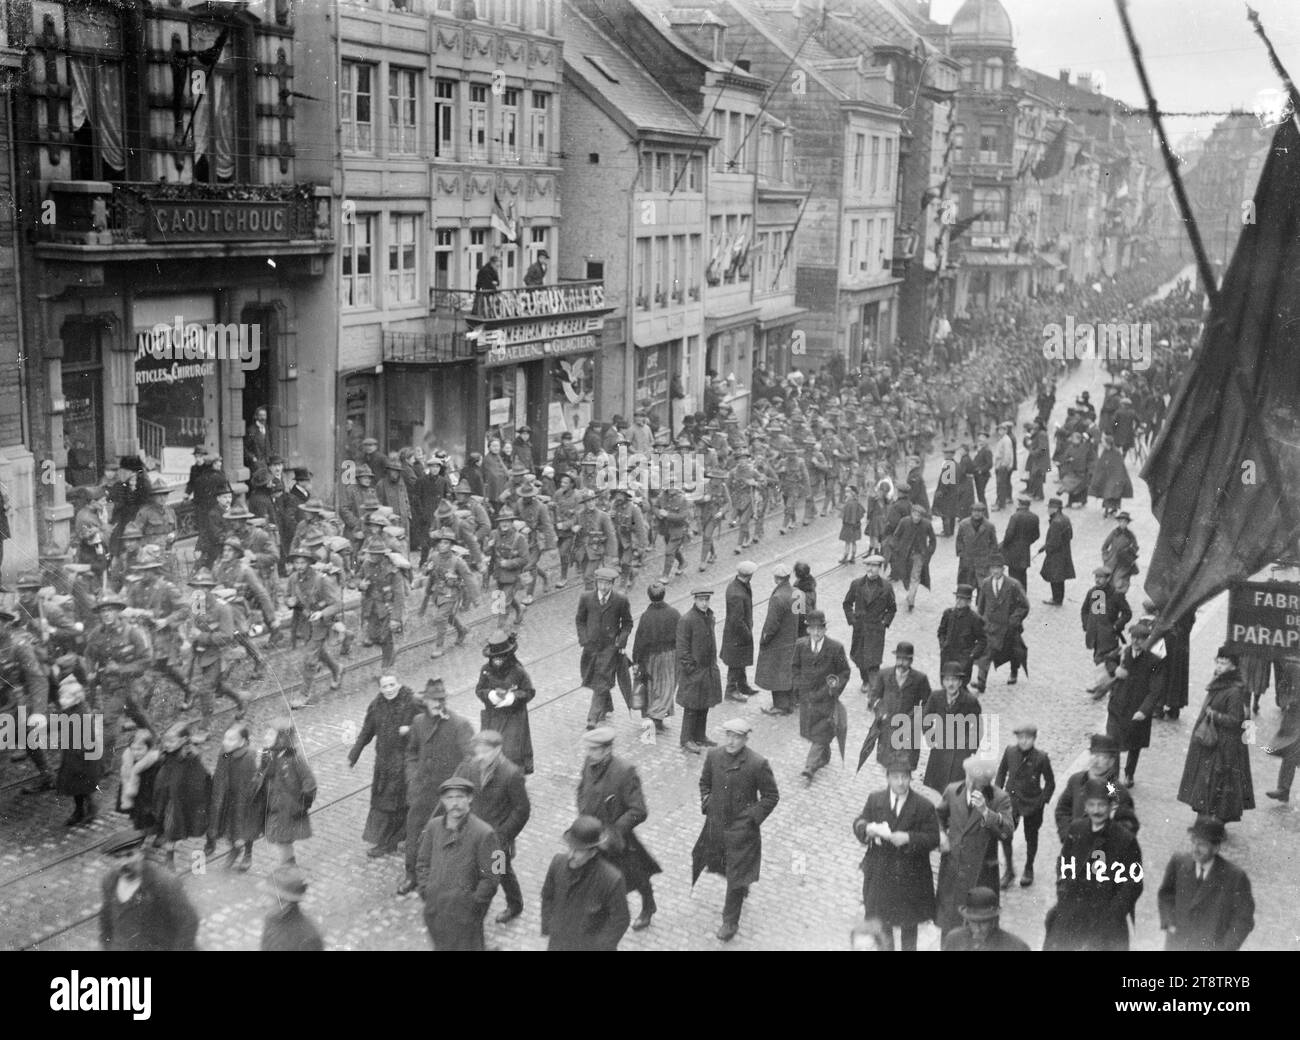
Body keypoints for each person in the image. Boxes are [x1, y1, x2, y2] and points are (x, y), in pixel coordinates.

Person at [691, 718, 780, 942]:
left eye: (737, 737)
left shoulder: (757, 764)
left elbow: (771, 796)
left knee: (736, 875)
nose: (731, 741)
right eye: (728, 735)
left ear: (745, 738)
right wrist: (708, 802)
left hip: (743, 832)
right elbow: (704, 783)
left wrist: (751, 818)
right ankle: (742, 886)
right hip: (717, 826)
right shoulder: (713, 756)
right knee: (722, 864)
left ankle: (730, 921)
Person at [577, 726, 662, 931]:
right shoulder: (590, 763)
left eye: (594, 749)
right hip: (592, 837)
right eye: (589, 749)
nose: (589, 753)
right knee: (595, 876)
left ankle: (648, 906)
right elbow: (582, 789)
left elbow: (638, 810)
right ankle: (600, 911)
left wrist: (614, 831)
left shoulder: (624, 772)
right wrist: (582, 815)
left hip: (617, 841)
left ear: (607, 750)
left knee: (637, 876)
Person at [1044, 777, 1144, 951]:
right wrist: (1063, 889)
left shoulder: (1125, 840)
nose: (1096, 811)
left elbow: (1133, 884)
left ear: (1110, 806)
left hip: (1106, 917)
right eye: (1091, 805)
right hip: (1073, 909)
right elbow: (1064, 861)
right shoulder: (1077, 828)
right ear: (1085, 806)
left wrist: (1113, 916)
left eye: (1101, 805)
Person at [853, 752, 940, 951]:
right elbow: (859, 823)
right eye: (895, 777)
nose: (900, 782)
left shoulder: (924, 806)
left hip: (910, 878)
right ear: (888, 778)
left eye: (905, 777)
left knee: (909, 928)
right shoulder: (875, 800)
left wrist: (909, 838)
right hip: (880, 875)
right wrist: (867, 828)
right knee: (883, 927)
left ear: (910, 777)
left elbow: (933, 838)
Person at [398, 679, 475, 896]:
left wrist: (455, 789)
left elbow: (470, 758)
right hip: (422, 791)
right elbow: (411, 753)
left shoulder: (459, 725)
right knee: (414, 834)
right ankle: (411, 876)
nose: (437, 704)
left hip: (448, 796)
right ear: (425, 701)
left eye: (441, 699)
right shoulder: (418, 721)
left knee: (447, 839)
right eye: (433, 700)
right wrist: (412, 779)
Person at [415, 776, 502, 951]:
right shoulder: (433, 826)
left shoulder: (486, 833)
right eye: (449, 798)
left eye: (460, 797)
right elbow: (422, 863)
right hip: (436, 910)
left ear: (469, 798)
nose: (455, 803)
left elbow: (493, 877)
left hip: (465, 918)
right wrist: (426, 890)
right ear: (442, 801)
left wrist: (473, 906)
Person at [455, 730, 531, 926]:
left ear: (498, 750)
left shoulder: (511, 773)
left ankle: (514, 905)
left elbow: (522, 810)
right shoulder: (471, 767)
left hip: (498, 841)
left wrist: (503, 835)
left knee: (500, 873)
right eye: (478, 752)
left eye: (485, 752)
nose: (480, 756)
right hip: (475, 835)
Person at [934, 757, 1013, 935]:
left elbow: (1007, 832)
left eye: (979, 784)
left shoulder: (1000, 798)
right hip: (953, 871)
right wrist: (941, 834)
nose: (973, 785)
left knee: (978, 930)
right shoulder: (953, 791)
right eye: (971, 779)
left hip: (981, 876)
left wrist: (986, 812)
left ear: (987, 783)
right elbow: (938, 815)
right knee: (950, 929)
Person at [1177, 646, 1255, 825]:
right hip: (1211, 742)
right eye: (1218, 662)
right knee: (1208, 782)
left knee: (1215, 783)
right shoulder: (1221, 682)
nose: (1219, 666)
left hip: (1222, 745)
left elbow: (1236, 720)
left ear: (1233, 666)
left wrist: (1214, 715)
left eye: (1223, 663)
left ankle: (1210, 821)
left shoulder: (1234, 690)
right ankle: (1206, 818)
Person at [1157, 816, 1255, 951]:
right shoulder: (1178, 862)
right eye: (1193, 842)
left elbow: (1243, 920)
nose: (1195, 849)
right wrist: (1169, 922)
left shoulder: (1235, 877)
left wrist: (1225, 948)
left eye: (1202, 844)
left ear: (1216, 848)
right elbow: (1166, 894)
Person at [347, 675, 419, 858]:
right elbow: (366, 732)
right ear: (380, 688)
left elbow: (425, 727)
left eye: (392, 685)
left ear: (399, 684)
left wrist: (410, 730)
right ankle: (387, 840)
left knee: (403, 802)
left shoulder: (412, 703)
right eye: (384, 686)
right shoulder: (376, 706)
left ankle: (394, 841)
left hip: (406, 762)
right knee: (384, 803)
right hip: (385, 764)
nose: (389, 689)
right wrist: (354, 754)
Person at [540, 815, 632, 951]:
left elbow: (620, 920)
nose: (571, 855)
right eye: (570, 847)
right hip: (559, 943)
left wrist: (601, 947)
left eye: (578, 850)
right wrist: (549, 925)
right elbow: (547, 895)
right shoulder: (557, 862)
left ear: (593, 852)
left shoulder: (611, 879)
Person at [99, 829, 200, 951]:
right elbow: (106, 920)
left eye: (129, 855)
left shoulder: (163, 882)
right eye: (117, 857)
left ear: (141, 853)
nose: (123, 863)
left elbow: (189, 922)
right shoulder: (109, 881)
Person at [994, 722, 1055, 889]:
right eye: (1020, 738)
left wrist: (1042, 801)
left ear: (1034, 739)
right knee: (1005, 834)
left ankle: (1029, 868)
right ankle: (1009, 871)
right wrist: (997, 795)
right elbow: (1001, 773)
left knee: (1031, 836)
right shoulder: (1010, 752)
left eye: (1027, 738)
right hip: (1011, 801)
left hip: (1032, 804)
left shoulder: (1041, 757)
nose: (1023, 741)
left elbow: (1050, 783)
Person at [794, 610, 851, 782]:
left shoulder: (835, 648)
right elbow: (795, 667)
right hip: (807, 699)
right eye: (813, 629)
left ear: (825, 629)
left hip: (826, 698)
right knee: (814, 732)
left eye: (820, 628)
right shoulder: (800, 645)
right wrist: (799, 685)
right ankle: (824, 756)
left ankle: (810, 767)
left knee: (820, 733)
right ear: (808, 630)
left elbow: (844, 672)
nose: (817, 632)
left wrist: (832, 690)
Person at [1106, 621, 1163, 787]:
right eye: (1134, 638)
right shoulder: (1123, 652)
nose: (1136, 642)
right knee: (1112, 750)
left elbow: (1155, 690)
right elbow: (1108, 660)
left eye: (1141, 639)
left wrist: (1144, 711)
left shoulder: (1154, 661)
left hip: (1136, 712)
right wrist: (1115, 670)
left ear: (1146, 640)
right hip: (1117, 708)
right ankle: (1112, 791)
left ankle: (1129, 774)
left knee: (1134, 745)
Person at [575, 567, 633, 730]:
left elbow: (627, 623)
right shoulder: (586, 598)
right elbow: (580, 620)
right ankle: (607, 705)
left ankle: (592, 718)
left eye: (607, 584)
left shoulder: (620, 600)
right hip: (591, 647)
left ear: (612, 584)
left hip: (609, 648)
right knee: (594, 678)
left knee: (601, 680)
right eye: (600, 582)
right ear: (596, 582)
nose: (603, 587)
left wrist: (620, 641)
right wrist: (584, 639)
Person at [1053, 733, 1135, 842]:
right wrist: (1067, 835)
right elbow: (1062, 810)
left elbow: (1127, 824)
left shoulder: (1117, 791)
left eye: (1103, 757)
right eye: (1094, 755)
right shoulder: (1076, 780)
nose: (1096, 761)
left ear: (1111, 762)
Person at [256, 718, 316, 866]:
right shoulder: (269, 755)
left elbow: (310, 783)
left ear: (281, 739)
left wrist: (301, 805)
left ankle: (287, 871)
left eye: (270, 735)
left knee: (283, 841)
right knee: (282, 841)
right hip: (274, 807)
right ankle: (289, 866)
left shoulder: (294, 759)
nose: (266, 738)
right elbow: (262, 776)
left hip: (289, 810)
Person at [475, 630, 536, 773]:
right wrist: (489, 695)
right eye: (494, 658)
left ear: (508, 656)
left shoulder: (518, 671)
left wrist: (513, 697)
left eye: (501, 657)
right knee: (491, 750)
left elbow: (529, 692)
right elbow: (479, 690)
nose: (497, 661)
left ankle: (513, 780)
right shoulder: (486, 670)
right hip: (493, 718)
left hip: (514, 718)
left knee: (510, 753)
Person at [866, 641, 932, 770]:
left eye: (906, 660)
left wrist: (916, 719)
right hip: (887, 727)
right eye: (899, 659)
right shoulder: (884, 674)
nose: (902, 663)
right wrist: (881, 711)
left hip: (908, 729)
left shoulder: (920, 679)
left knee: (904, 765)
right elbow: (874, 696)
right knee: (887, 763)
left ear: (911, 661)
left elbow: (928, 703)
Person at [206, 722, 261, 873]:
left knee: (244, 826)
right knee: (230, 826)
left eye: (231, 740)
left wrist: (244, 802)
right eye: (225, 739)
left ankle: (248, 854)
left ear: (242, 742)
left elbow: (248, 783)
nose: (226, 743)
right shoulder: (225, 752)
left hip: (244, 799)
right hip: (228, 795)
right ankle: (235, 849)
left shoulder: (248, 757)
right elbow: (222, 768)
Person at [972, 555, 1029, 691]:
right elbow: (981, 605)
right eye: (993, 569)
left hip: (1008, 626)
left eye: (998, 569)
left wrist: (1014, 620)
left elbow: (1024, 605)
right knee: (986, 653)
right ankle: (981, 681)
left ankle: (1014, 672)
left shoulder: (1013, 584)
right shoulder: (986, 583)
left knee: (1013, 651)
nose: (995, 572)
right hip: (990, 626)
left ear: (1003, 569)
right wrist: (981, 621)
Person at [676, 587, 723, 752]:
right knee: (691, 706)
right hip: (695, 672)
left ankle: (700, 736)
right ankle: (686, 739)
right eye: (701, 600)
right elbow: (682, 649)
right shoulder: (687, 620)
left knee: (704, 704)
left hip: (708, 669)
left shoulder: (708, 616)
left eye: (706, 600)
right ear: (695, 600)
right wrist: (691, 669)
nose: (704, 603)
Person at [630, 581, 680, 731]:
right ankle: (657, 718)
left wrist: (636, 660)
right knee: (667, 686)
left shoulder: (646, 616)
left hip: (652, 658)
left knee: (654, 687)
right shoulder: (674, 613)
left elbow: (640, 640)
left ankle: (656, 717)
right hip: (671, 656)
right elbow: (682, 635)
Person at [842, 554, 896, 691]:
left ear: (880, 568)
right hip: (860, 628)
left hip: (876, 629)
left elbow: (892, 608)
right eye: (868, 565)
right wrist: (852, 620)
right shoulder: (856, 584)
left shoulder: (886, 587)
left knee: (874, 660)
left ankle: (873, 685)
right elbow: (847, 604)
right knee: (859, 658)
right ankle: (865, 680)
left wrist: (885, 622)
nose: (870, 569)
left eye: (874, 566)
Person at [757, 563, 799, 715]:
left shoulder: (777, 598)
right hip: (792, 639)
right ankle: (791, 701)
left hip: (778, 642)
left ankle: (780, 706)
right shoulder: (797, 593)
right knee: (789, 672)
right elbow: (800, 617)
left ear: (776, 579)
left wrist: (764, 639)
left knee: (776, 673)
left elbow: (771, 624)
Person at [940, 886, 1030, 951]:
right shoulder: (953, 939)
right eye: (973, 922)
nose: (978, 929)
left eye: (983, 923)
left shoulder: (1016, 947)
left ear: (993, 920)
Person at [261, 865, 326, 951]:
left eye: (269, 896)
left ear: (285, 903)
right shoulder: (272, 918)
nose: (262, 901)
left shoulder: (308, 938)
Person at [889, 502, 935, 612]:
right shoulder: (904, 522)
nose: (916, 518)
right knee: (905, 576)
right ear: (911, 514)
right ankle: (910, 594)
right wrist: (896, 548)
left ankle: (911, 600)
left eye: (919, 516)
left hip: (919, 555)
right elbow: (896, 536)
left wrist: (928, 552)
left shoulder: (927, 524)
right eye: (915, 515)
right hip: (905, 555)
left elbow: (933, 540)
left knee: (915, 577)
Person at [936, 584, 986, 685]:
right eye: (957, 598)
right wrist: (943, 645)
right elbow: (941, 631)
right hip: (948, 656)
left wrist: (972, 655)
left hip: (963, 659)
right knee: (945, 683)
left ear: (968, 601)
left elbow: (982, 640)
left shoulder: (975, 619)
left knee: (960, 685)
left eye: (962, 599)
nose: (958, 601)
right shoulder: (948, 614)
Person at [721, 561, 757, 702]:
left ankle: (742, 685)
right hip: (737, 634)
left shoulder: (739, 586)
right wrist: (747, 634)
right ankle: (731, 691)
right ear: (749, 575)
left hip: (739, 632)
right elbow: (737, 620)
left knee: (740, 661)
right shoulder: (737, 593)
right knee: (735, 663)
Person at [1035, 497, 1074, 605]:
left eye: (1050, 508)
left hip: (1056, 554)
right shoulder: (1065, 518)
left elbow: (1054, 542)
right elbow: (1070, 535)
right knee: (1060, 577)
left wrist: (1046, 548)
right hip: (1064, 551)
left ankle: (1056, 599)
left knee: (1054, 576)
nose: (1048, 510)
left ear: (1056, 509)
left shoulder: (1056, 522)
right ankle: (1059, 598)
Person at [999, 497, 1040, 589]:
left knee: (1013, 574)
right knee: (1022, 574)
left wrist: (1004, 545)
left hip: (1013, 551)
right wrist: (1027, 542)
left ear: (1020, 505)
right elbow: (1037, 535)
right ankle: (1023, 594)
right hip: (1025, 550)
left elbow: (1009, 534)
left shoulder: (1015, 516)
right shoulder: (1034, 517)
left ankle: (1014, 596)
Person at [955, 502, 998, 587]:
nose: (977, 514)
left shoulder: (989, 526)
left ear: (983, 513)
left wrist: (990, 557)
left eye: (979, 511)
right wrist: (961, 553)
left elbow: (993, 543)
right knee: (965, 588)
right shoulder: (964, 524)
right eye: (975, 511)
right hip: (967, 561)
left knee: (982, 589)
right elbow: (959, 540)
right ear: (971, 512)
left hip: (982, 563)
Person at [839, 484, 865, 563]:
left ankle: (845, 556)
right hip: (856, 525)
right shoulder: (857, 502)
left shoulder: (849, 503)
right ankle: (853, 557)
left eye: (848, 492)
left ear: (852, 493)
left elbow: (845, 515)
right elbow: (861, 513)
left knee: (847, 542)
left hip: (849, 526)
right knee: (854, 542)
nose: (846, 494)